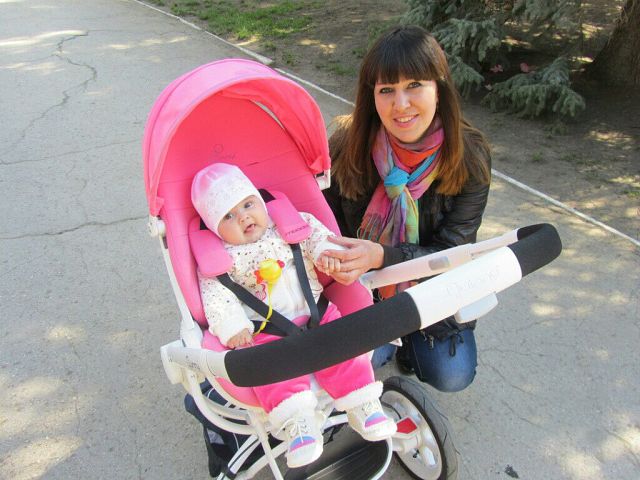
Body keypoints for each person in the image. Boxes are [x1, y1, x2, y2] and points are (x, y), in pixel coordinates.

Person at [191, 163, 396, 469]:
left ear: (260, 202)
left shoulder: (291, 225)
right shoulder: (221, 260)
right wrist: (232, 326)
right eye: (228, 216)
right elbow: (217, 298)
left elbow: (319, 239)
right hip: (266, 332)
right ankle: (298, 425)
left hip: (318, 313)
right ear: (214, 228)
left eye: (248, 205)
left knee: (344, 346)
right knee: (269, 371)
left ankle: (361, 402)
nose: (244, 217)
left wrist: (327, 257)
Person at [322, 25, 492, 393]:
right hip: (364, 290)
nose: (400, 105)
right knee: (352, 370)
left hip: (435, 288)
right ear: (372, 96)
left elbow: (452, 253)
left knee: (452, 375)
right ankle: (386, 342)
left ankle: (411, 346)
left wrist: (383, 256)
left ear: (438, 87)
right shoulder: (347, 146)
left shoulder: (470, 158)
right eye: (387, 90)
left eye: (414, 85)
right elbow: (324, 221)